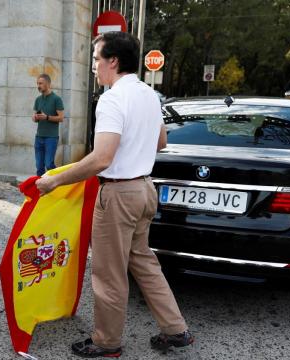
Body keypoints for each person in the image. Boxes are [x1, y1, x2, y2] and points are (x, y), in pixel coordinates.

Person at [36, 32, 194, 357]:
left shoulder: (111, 98)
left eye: (96, 59)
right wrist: (135, 146)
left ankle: (107, 342)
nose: (94, 66)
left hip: (119, 194)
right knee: (144, 262)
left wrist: (55, 181)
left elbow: (102, 158)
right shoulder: (151, 95)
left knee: (108, 274)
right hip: (145, 190)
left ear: (113, 62)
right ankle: (175, 328)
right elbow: (161, 142)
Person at [32, 73, 64, 176]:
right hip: (39, 137)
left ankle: (57, 182)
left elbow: (61, 118)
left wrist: (47, 117)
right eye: (37, 83)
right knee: (39, 166)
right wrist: (35, 118)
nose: (38, 86)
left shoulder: (56, 99)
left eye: (41, 83)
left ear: (48, 84)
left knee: (49, 164)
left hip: (51, 137)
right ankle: (40, 190)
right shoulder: (38, 99)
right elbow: (37, 118)